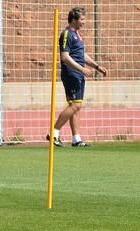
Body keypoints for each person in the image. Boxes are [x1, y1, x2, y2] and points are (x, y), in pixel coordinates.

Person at [48, 6, 107, 147]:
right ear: (74, 20)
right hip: (71, 74)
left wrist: (97, 67)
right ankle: (53, 133)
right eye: (82, 19)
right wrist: (82, 69)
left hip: (78, 75)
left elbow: (82, 55)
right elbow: (64, 57)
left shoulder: (77, 35)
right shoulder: (67, 34)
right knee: (76, 105)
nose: (83, 22)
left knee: (75, 106)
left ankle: (76, 138)